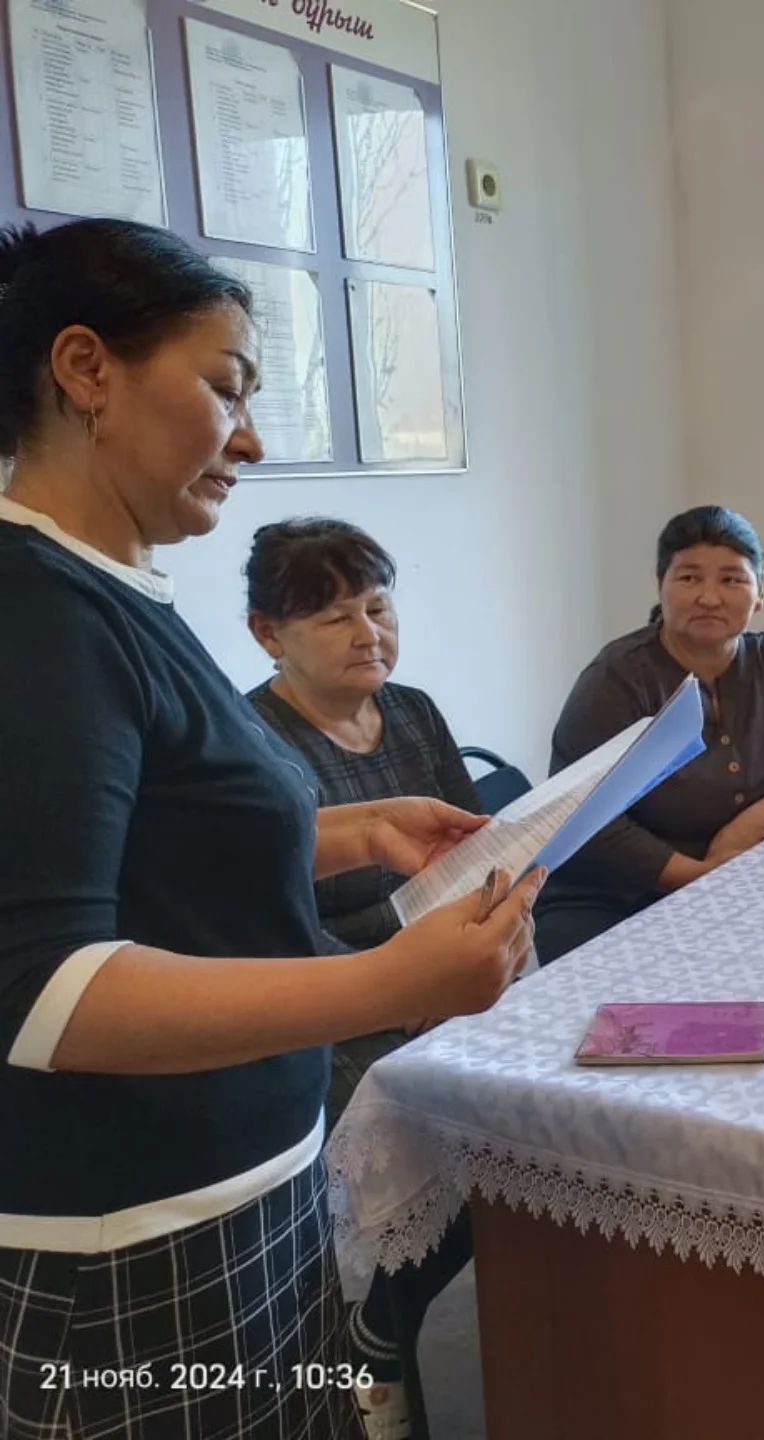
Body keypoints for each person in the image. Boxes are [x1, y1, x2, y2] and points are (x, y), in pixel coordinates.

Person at [0, 219, 542, 1440]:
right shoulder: (35, 616)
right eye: (224, 389)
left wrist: (359, 830)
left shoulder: (117, 592)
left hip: (242, 1191)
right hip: (132, 1241)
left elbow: (160, 850)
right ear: (86, 370)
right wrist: (386, 984)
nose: (249, 438)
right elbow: (45, 990)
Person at [244, 517, 483, 1433]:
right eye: (334, 617)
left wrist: (466, 958)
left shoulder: (413, 710)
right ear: (268, 634)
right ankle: (378, 1324)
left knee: (548, 1124)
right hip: (332, 995)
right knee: (420, 1135)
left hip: (442, 971)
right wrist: (399, 984)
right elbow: (263, 924)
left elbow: (475, 848)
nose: (367, 633)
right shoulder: (251, 740)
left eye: (378, 608)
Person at [535, 504, 764, 963]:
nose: (709, 597)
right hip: (613, 899)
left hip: (739, 877)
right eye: (689, 578)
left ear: (760, 594)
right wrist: (697, 878)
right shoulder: (617, 679)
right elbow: (581, 816)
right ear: (661, 586)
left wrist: (759, 819)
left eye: (732, 580)